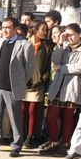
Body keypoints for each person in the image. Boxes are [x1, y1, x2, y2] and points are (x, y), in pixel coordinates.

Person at [0, 16, 34, 157]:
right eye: (3, 27)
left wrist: (20, 81)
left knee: (14, 118)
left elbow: (29, 69)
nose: (5, 30)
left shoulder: (25, 45)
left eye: (8, 28)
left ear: (16, 29)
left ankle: (16, 145)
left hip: (13, 87)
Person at [40, 23, 81, 157]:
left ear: (79, 34)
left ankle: (64, 145)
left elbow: (80, 67)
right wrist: (60, 44)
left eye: (72, 35)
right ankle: (54, 142)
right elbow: (55, 60)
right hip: (58, 85)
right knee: (51, 116)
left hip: (72, 87)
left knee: (68, 117)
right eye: (67, 35)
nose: (70, 38)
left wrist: (62, 68)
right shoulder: (64, 46)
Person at [22, 20, 54, 149]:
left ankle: (30, 136)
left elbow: (48, 65)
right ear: (34, 29)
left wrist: (43, 77)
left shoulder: (46, 47)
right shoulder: (24, 44)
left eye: (46, 30)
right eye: (43, 29)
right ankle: (21, 135)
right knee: (23, 110)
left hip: (38, 84)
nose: (45, 32)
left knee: (33, 110)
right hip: (23, 83)